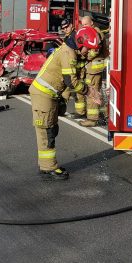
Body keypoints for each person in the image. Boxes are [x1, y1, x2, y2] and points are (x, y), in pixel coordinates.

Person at [28, 26, 101, 180]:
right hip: (44, 94)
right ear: (80, 42)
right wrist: (90, 92)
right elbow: (71, 81)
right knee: (47, 132)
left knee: (51, 130)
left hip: (50, 94)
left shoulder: (73, 52)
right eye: (88, 49)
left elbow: (74, 77)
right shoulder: (68, 53)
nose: (88, 52)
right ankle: (49, 168)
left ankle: (46, 165)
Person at [71, 16, 108, 126]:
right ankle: (103, 114)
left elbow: (95, 50)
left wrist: (87, 57)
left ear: (92, 23)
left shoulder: (95, 33)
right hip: (95, 68)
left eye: (86, 24)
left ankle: (92, 119)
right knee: (97, 91)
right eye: (83, 25)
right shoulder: (93, 31)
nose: (84, 27)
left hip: (94, 68)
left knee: (92, 92)